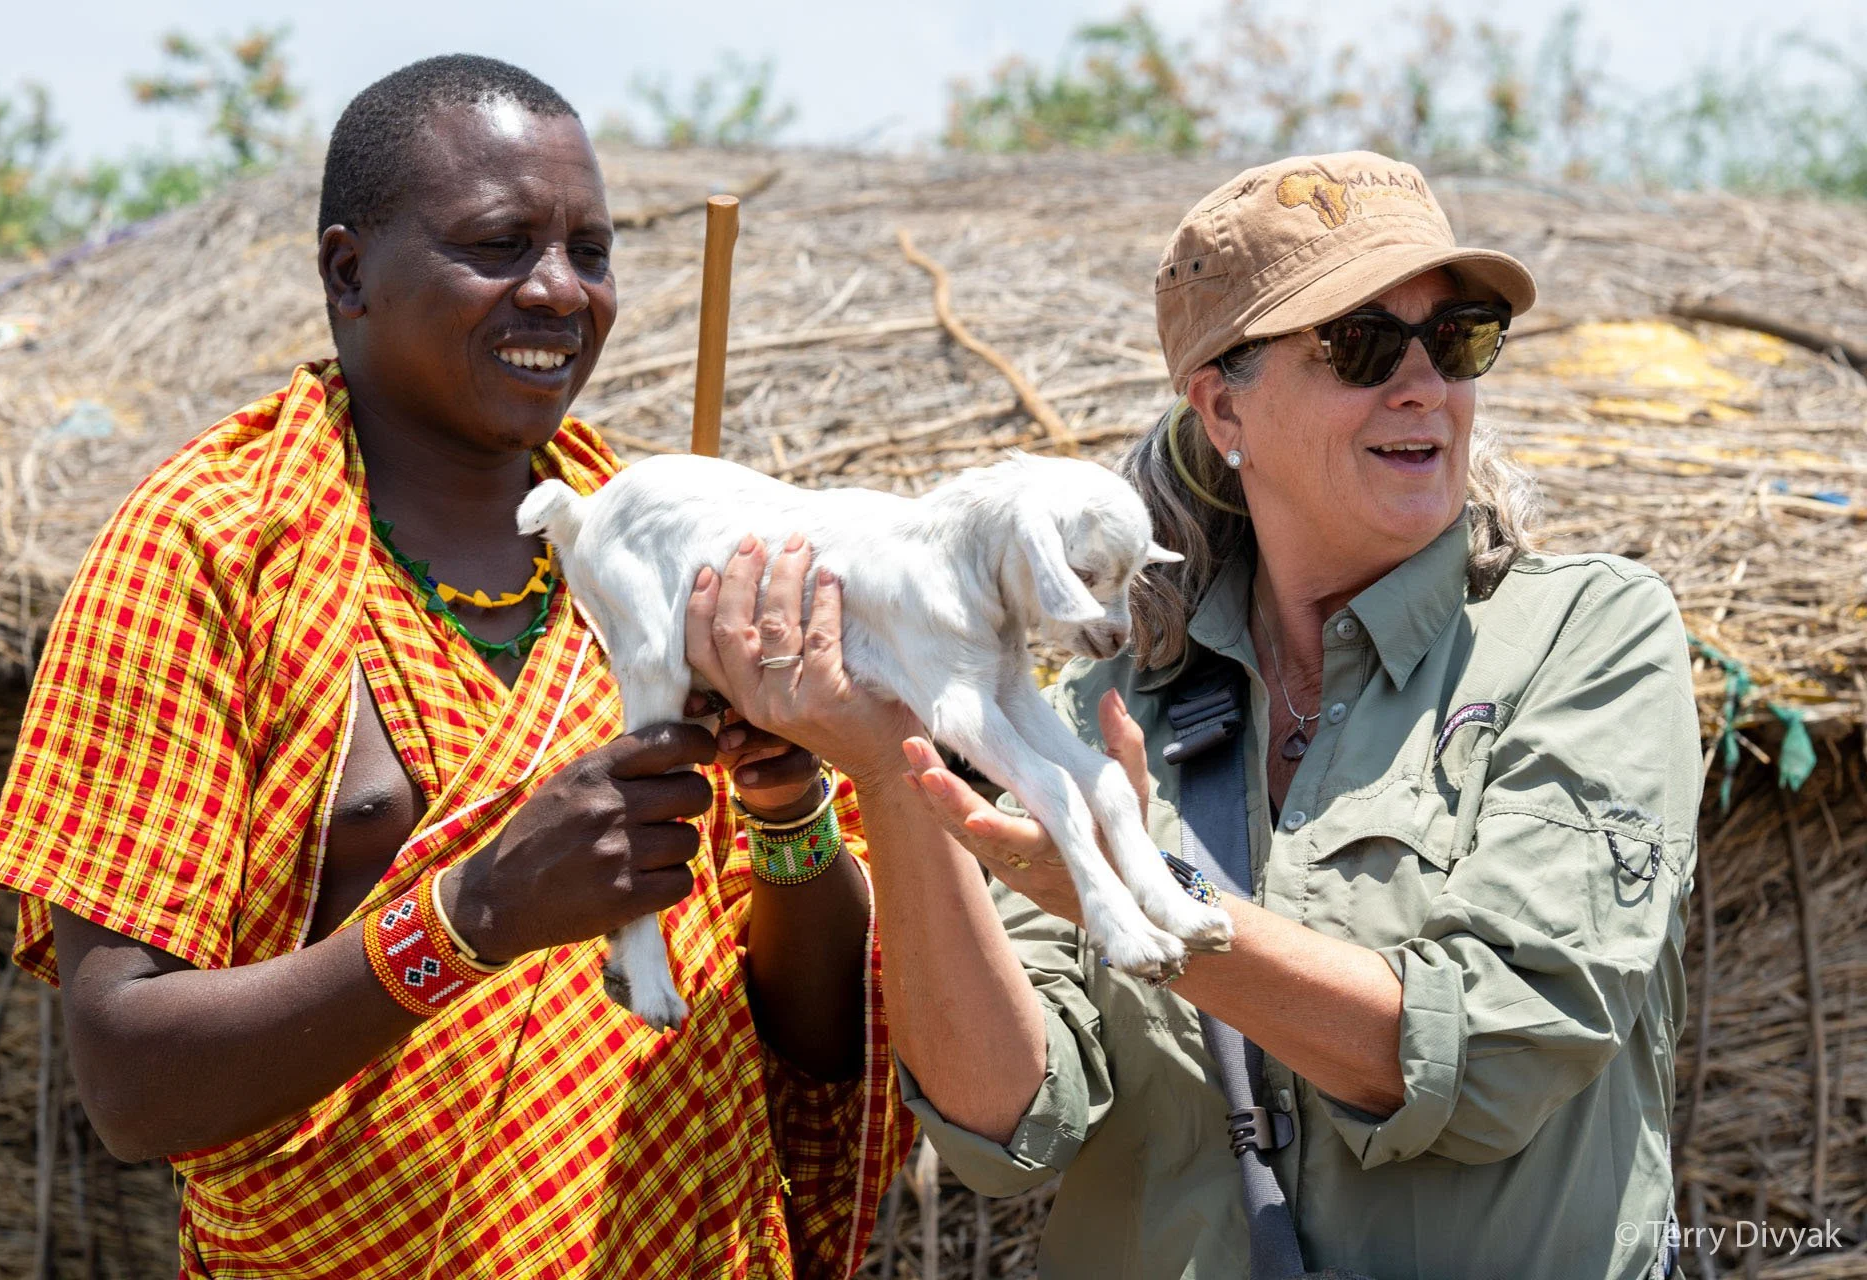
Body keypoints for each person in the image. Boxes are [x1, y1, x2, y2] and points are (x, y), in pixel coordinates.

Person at [689, 152, 1700, 1279]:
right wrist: (891, 765)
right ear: (1224, 405)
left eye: (1458, 337)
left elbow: (1502, 1048)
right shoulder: (1104, 706)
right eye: (1360, 345)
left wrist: (1149, 898)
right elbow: (1010, 1124)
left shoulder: (1592, 637)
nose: (1424, 385)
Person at [0, 55, 909, 1279]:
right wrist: (473, 912)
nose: (559, 291)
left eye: (591, 248)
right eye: (501, 243)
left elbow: (821, 1040)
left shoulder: (666, 546)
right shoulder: (210, 546)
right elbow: (133, 1081)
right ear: (347, 272)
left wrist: (790, 809)